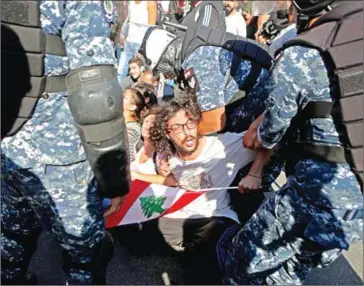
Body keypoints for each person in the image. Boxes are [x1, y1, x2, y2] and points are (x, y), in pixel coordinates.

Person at [224, 1, 364, 284]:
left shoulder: (303, 53)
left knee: (243, 257)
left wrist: (257, 140)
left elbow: (272, 130)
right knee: (291, 271)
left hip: (317, 194)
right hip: (355, 208)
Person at [1, 1, 130, 285]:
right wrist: (115, 180)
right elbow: (96, 95)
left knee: (11, 238)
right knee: (86, 257)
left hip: (8, 143)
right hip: (59, 154)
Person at [117, 0, 157, 82]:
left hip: (140, 45)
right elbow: (128, 20)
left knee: (140, 74)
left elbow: (151, 29)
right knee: (121, 72)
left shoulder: (150, 3)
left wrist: (143, 48)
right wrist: (122, 33)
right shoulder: (131, 2)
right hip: (128, 42)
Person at [123, 88, 146, 162]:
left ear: (132, 106)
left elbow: (129, 158)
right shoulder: (124, 124)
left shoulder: (132, 129)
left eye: (124, 97)